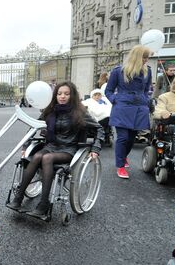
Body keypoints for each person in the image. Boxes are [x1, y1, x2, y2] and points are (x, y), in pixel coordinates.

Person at [6, 81, 103, 221]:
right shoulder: (50, 111)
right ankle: (18, 198)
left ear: (72, 96)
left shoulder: (80, 112)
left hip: (69, 149)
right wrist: (25, 146)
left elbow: (99, 129)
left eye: (66, 94)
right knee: (37, 156)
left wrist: (95, 148)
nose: (62, 96)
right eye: (59, 94)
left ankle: (44, 204)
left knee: (47, 158)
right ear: (55, 95)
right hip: (51, 146)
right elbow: (34, 127)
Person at [105, 45, 153, 179]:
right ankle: (120, 166)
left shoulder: (147, 71)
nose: (146, 60)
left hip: (139, 107)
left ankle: (123, 156)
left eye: (147, 57)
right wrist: (116, 99)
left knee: (132, 138)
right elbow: (108, 90)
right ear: (136, 57)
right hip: (122, 107)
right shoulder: (118, 71)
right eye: (144, 57)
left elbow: (146, 90)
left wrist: (146, 100)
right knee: (123, 137)